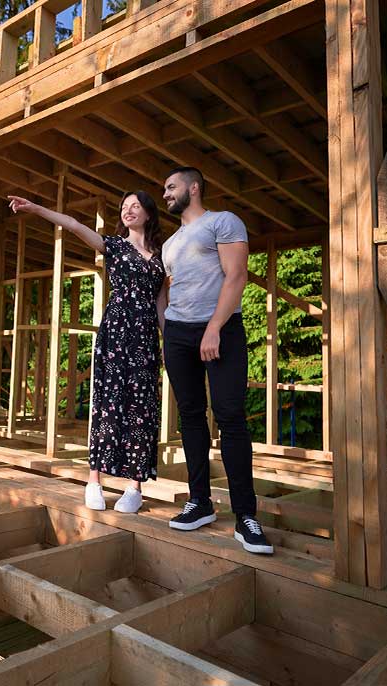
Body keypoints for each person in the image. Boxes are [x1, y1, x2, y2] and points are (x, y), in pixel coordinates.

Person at [8, 191, 165, 514]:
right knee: (107, 402)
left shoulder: (163, 258)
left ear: (149, 213)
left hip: (146, 340)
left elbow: (161, 306)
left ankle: (134, 486)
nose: (128, 211)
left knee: (142, 408)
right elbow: (75, 225)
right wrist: (37, 208)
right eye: (123, 207)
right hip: (116, 334)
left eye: (135, 206)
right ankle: (94, 480)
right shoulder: (114, 246)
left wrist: (171, 342)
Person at [159, 167, 273, 555]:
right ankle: (200, 502)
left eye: (171, 187)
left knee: (230, 416)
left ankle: (246, 516)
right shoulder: (170, 243)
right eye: (163, 190)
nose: (165, 195)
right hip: (178, 334)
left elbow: (237, 275)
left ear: (194, 187)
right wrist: (168, 333)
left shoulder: (223, 222)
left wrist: (214, 328)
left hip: (220, 329)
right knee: (190, 416)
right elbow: (172, 291)